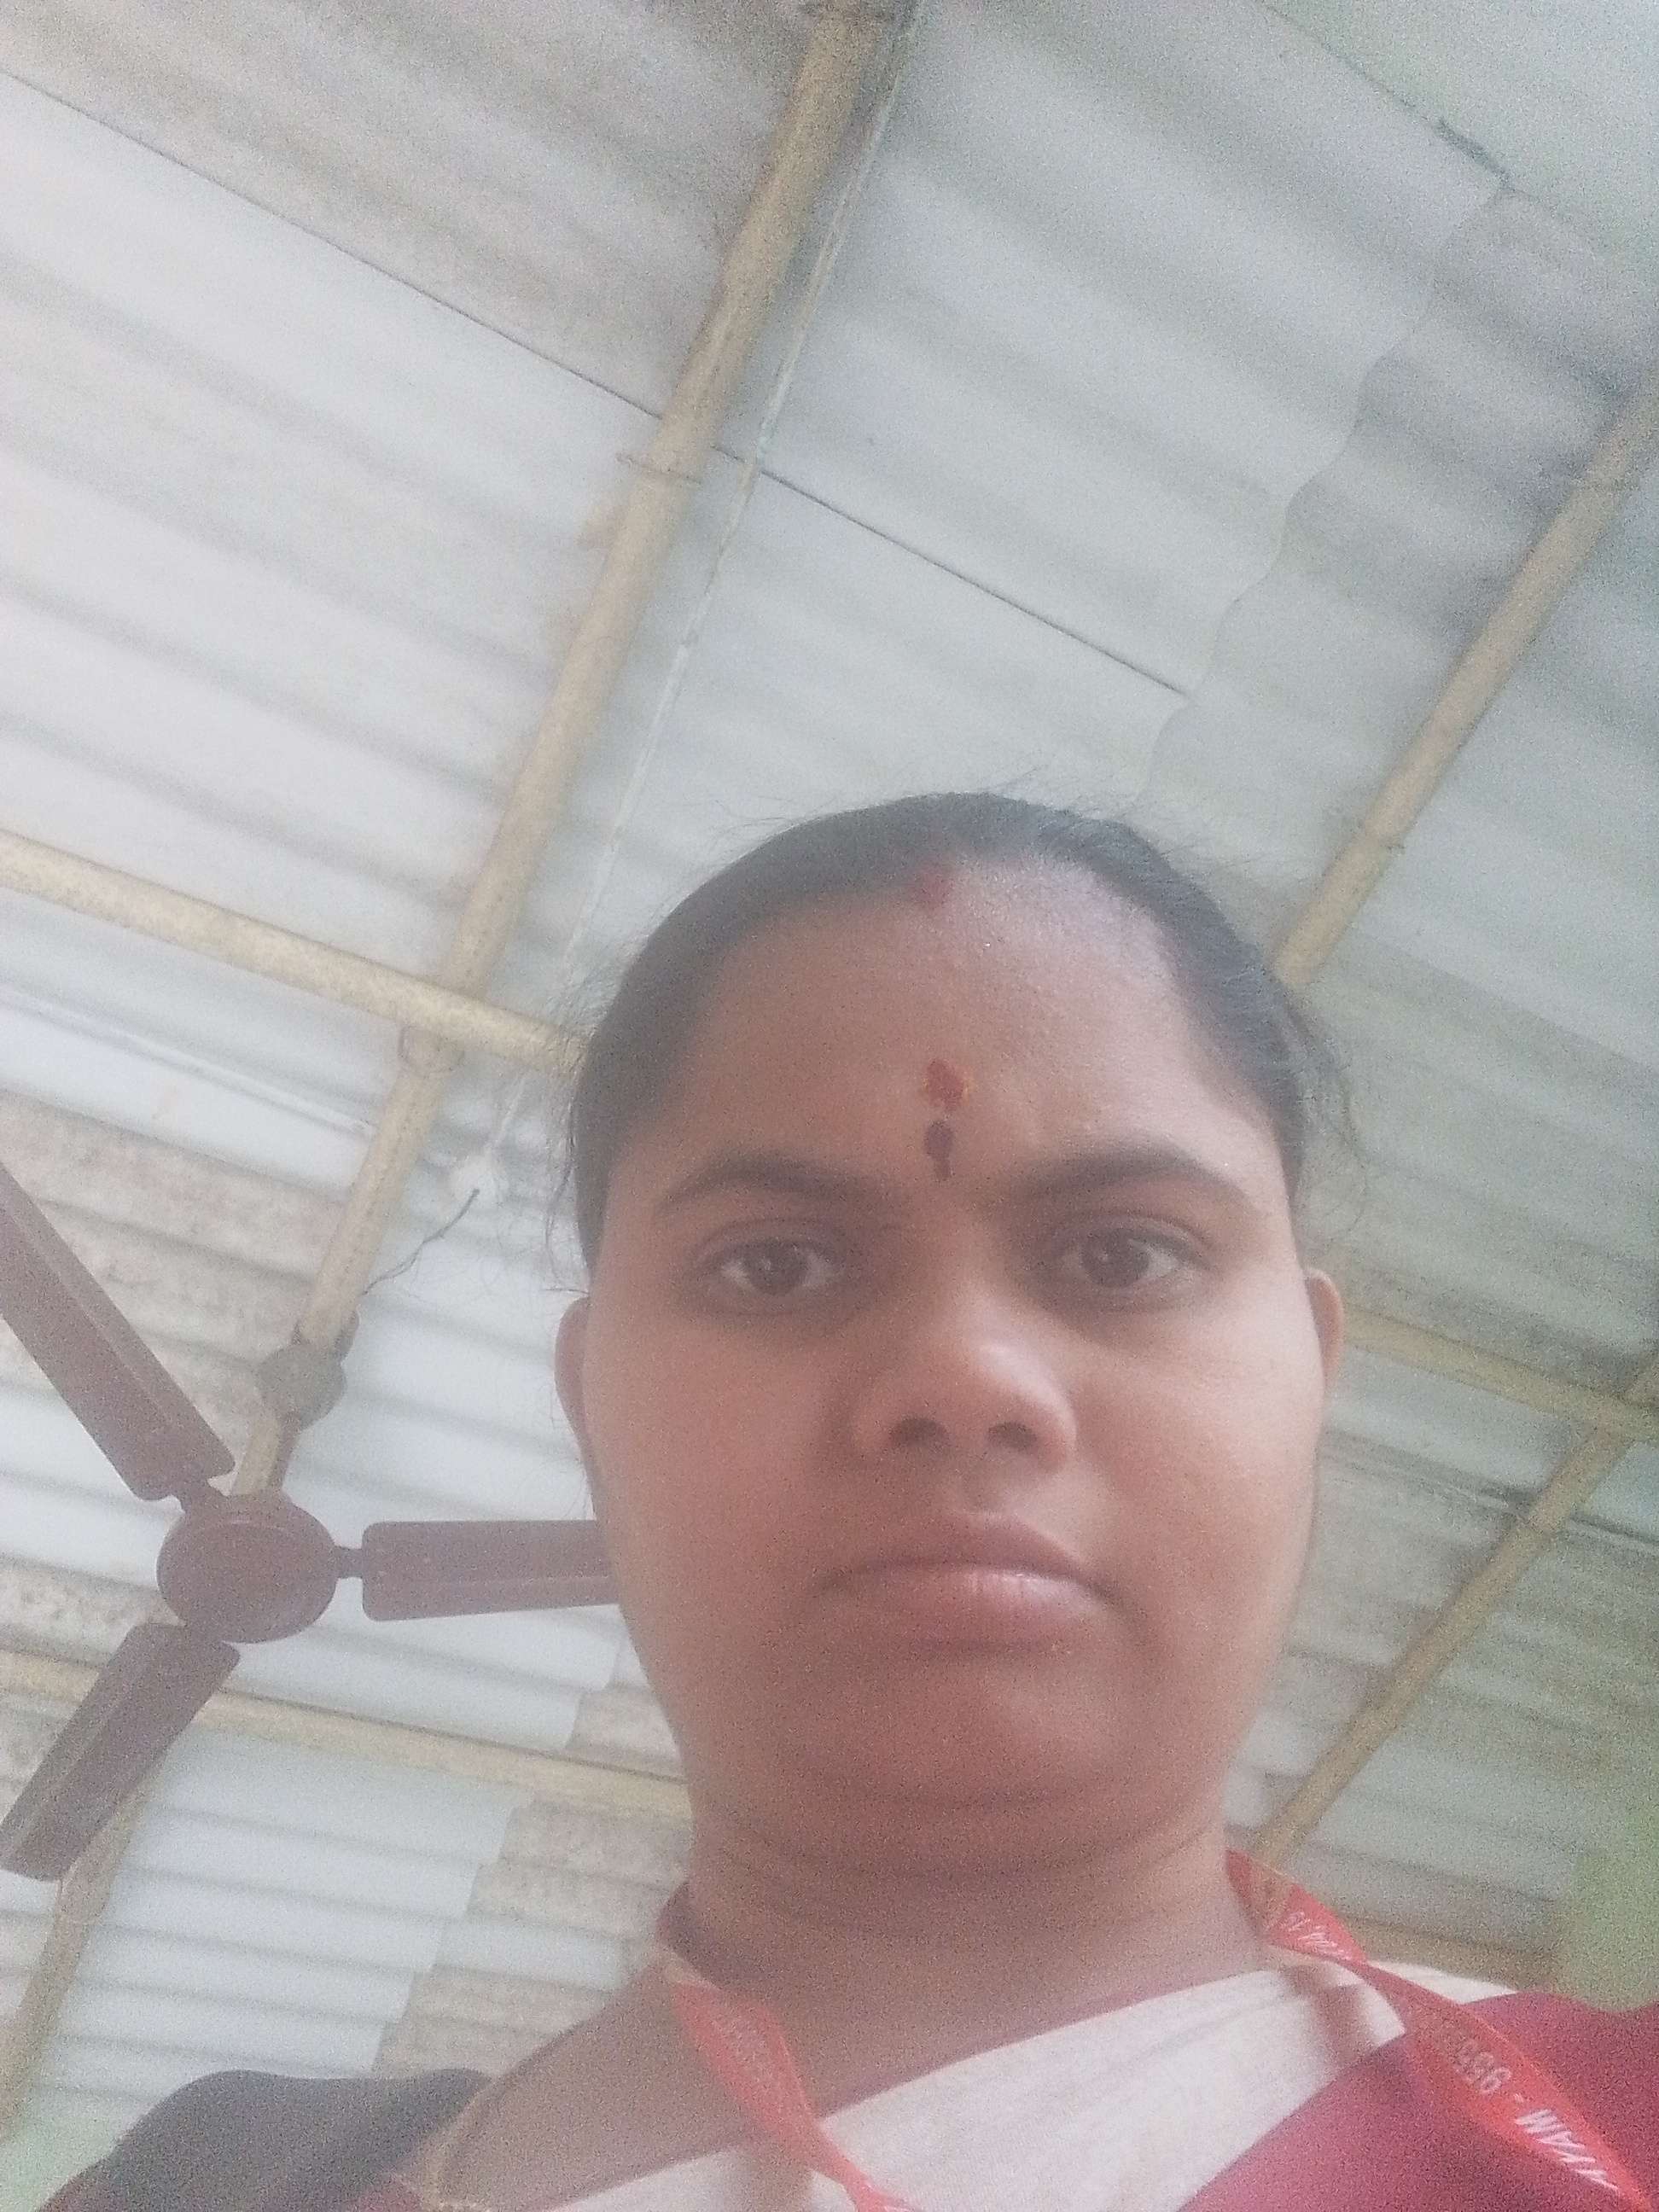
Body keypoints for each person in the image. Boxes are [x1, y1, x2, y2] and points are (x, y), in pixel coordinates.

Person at [44, 795, 1657, 2211]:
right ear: (593, 1405)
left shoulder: (1619, 2120)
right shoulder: (212, 2189)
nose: (964, 1378)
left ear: (1311, 1375)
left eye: (1124, 1253)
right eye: (776, 1265)